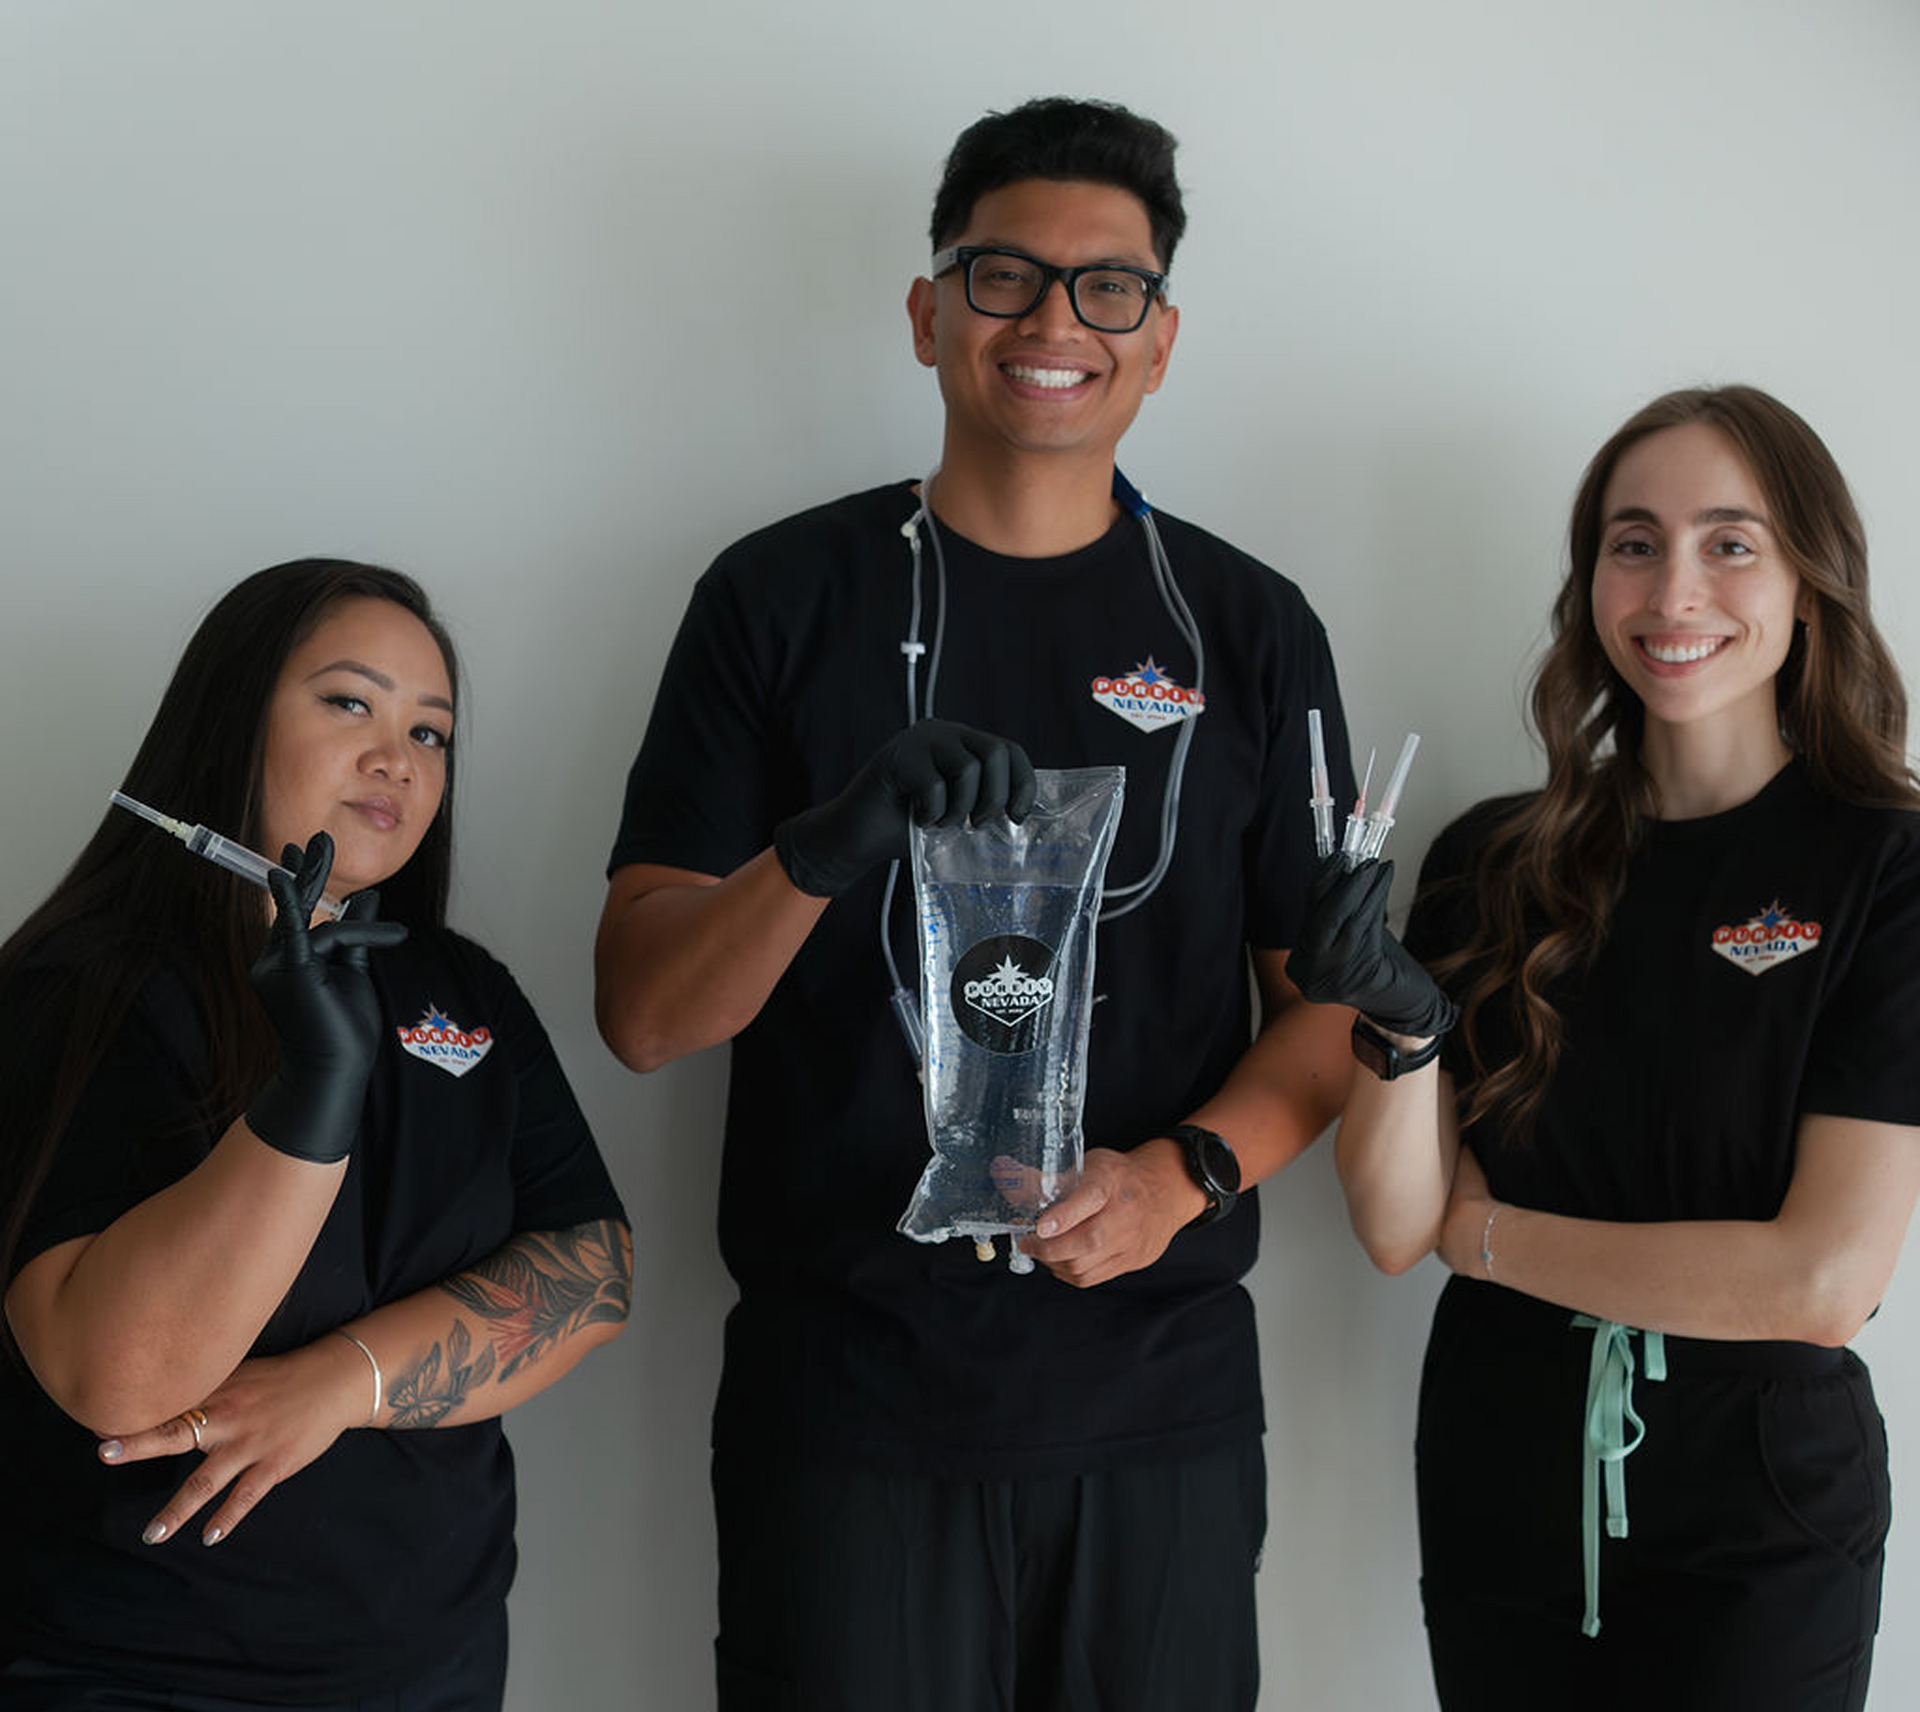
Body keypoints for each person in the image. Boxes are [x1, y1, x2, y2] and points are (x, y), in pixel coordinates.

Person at [596, 96, 1354, 1710]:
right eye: (1004, 276)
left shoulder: (1250, 628)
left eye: (1108, 289)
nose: (1054, 321)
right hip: (853, 1409)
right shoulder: (777, 600)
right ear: (932, 313)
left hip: (1157, 1408)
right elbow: (646, 1012)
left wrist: (1184, 1172)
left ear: (1160, 342)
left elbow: (1329, 1018)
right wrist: (821, 844)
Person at [1289, 385, 1920, 1711]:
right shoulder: (1491, 859)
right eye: (1633, 543)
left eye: (1729, 542)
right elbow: (1398, 1224)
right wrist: (1400, 1025)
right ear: (1591, 584)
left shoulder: (1886, 867)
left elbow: (1821, 1282)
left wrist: (1498, 1241)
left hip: (1760, 1516)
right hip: (1496, 1479)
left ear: (1811, 582)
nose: (1673, 587)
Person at [0, 560, 632, 1710]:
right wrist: (314, 1092)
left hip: (434, 1663)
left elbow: (596, 1271)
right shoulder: (75, 995)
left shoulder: (463, 986)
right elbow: (116, 1374)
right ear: (233, 719)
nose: (398, 755)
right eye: (351, 702)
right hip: (129, 1672)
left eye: (431, 731)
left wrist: (343, 1381)